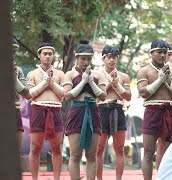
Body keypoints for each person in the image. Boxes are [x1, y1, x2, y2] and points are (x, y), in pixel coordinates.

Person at [63, 39, 107, 180]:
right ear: (77, 58)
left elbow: (103, 96)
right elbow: (67, 96)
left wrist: (91, 82)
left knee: (91, 155)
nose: (86, 62)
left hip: (93, 111)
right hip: (76, 112)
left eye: (89, 59)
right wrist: (83, 81)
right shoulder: (70, 74)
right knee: (75, 154)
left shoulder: (98, 75)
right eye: (83, 59)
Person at [136, 40, 172, 180]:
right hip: (152, 111)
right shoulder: (144, 71)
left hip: (171, 111)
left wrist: (168, 78)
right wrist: (160, 80)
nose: (162, 55)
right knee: (148, 152)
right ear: (151, 53)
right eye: (159, 52)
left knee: (171, 151)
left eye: (165, 52)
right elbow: (143, 92)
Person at [26, 42, 65, 180]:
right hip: (38, 109)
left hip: (55, 111)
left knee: (56, 148)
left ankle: (56, 178)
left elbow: (64, 94)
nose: (48, 56)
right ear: (39, 55)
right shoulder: (32, 74)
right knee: (35, 147)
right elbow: (30, 94)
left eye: (50, 54)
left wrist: (52, 82)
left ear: (53, 56)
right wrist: (44, 82)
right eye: (45, 54)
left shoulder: (60, 74)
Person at [96, 45, 131, 180]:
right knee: (99, 149)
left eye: (114, 57)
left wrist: (117, 85)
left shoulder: (124, 76)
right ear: (103, 58)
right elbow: (96, 97)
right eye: (109, 57)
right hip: (102, 110)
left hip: (118, 109)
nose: (112, 60)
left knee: (119, 149)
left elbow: (128, 96)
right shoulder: (96, 75)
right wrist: (109, 84)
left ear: (117, 59)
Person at [12, 37, 30, 151]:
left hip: (15, 111)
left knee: (14, 151)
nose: (12, 55)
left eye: (14, 52)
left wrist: (14, 78)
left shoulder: (17, 70)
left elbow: (27, 94)